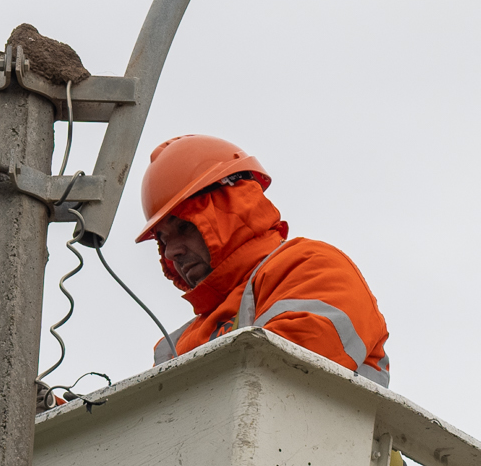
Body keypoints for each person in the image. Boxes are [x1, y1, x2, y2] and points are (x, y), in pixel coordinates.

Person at [135, 134, 390, 385]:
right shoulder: (175, 344)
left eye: (185, 227)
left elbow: (281, 373)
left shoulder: (310, 266)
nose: (170, 252)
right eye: (164, 239)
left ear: (233, 209)